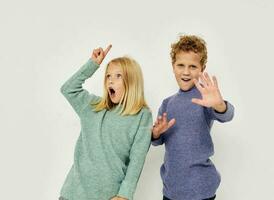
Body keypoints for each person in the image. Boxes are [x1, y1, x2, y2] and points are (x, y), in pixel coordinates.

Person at [59, 45, 152, 200]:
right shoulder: (93, 107)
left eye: (118, 76)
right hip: (73, 194)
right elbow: (68, 89)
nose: (110, 80)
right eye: (108, 76)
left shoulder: (142, 115)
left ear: (132, 80)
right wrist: (92, 64)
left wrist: (124, 194)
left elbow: (137, 159)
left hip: (107, 196)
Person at [151, 35, 235, 200]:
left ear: (202, 68)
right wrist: (155, 134)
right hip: (171, 191)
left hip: (201, 191)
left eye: (193, 66)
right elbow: (157, 141)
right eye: (181, 65)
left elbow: (227, 115)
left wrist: (219, 104)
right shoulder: (167, 103)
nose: (186, 72)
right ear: (173, 66)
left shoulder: (205, 98)